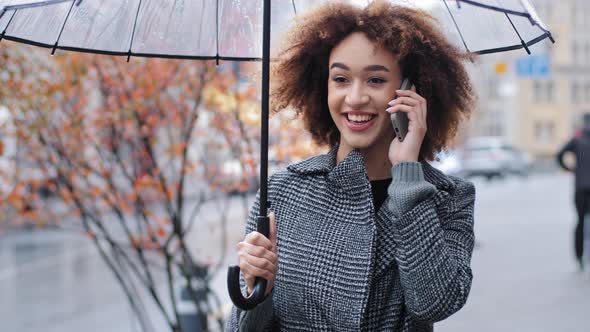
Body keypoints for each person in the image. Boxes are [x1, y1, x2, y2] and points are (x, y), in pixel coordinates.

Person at [227, 1, 477, 331]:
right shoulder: (284, 191)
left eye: (375, 80)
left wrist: (407, 176)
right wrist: (258, 289)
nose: (355, 98)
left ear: (409, 91)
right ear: (323, 87)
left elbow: (434, 302)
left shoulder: (448, 197)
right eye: (341, 79)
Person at [557, 113, 590, 271]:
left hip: (581, 188)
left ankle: (579, 257)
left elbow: (559, 154)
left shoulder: (577, 139)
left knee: (580, 221)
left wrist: (569, 169)